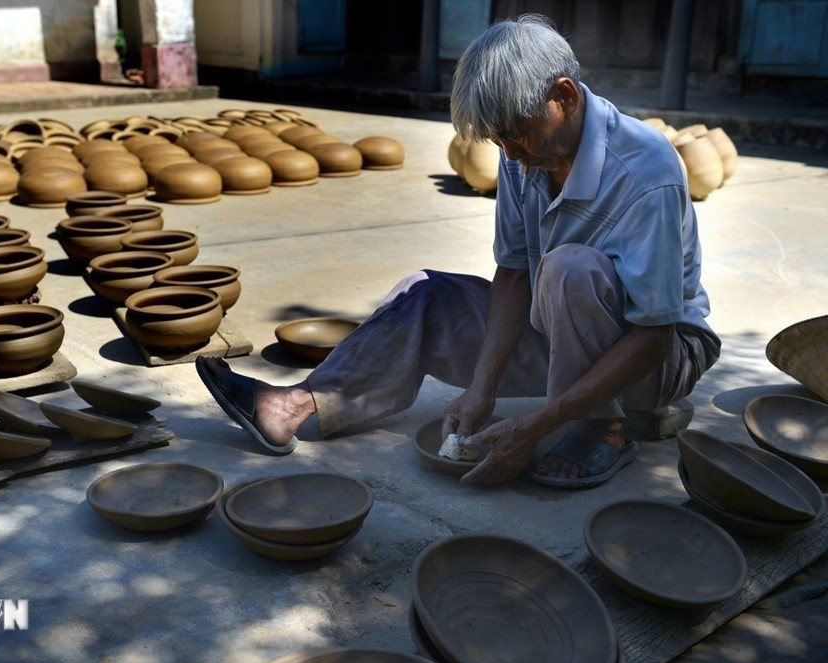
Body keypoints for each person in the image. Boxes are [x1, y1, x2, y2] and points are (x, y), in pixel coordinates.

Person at [196, 14, 720, 488]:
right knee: (425, 293)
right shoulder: (525, 156)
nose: (509, 155)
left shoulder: (645, 171)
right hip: (562, 331)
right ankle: (299, 405)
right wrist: (481, 389)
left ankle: (604, 427)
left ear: (564, 96)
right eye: (499, 142)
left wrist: (540, 423)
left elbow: (655, 335)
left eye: (516, 136)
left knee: (569, 268)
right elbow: (514, 274)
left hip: (663, 355)